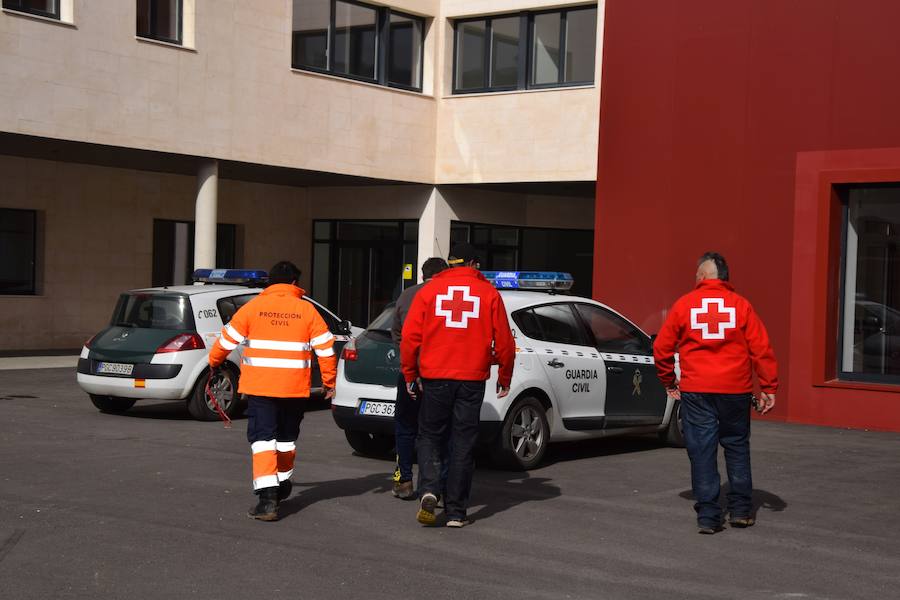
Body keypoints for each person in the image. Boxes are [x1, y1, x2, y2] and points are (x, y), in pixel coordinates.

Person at [653, 252, 778, 534]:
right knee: (736, 446)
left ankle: (709, 516)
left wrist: (669, 381)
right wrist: (769, 387)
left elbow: (661, 349)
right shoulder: (742, 306)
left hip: (697, 391)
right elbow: (761, 349)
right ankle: (741, 511)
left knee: (702, 450)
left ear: (702, 276)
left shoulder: (684, 305)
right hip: (736, 390)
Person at [208, 261, 337, 521]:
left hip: (261, 387)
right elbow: (325, 347)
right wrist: (329, 382)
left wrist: (213, 362)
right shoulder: (306, 310)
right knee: (286, 439)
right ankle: (282, 483)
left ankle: (268, 500)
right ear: (293, 283)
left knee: (263, 440)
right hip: (294, 388)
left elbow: (226, 340)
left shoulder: (253, 308)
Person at [400, 242, 516, 528]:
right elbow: (505, 342)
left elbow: (410, 338)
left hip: (435, 377)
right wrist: (505, 376)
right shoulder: (488, 293)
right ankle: (456, 512)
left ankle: (428, 489)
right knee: (463, 442)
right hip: (471, 379)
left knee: (429, 436)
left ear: (451, 263)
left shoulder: (428, 291)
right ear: (474, 264)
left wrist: (409, 373)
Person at [390, 257, 449, 500]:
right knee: (438, 431)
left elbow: (396, 332)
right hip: (440, 374)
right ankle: (439, 485)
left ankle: (404, 479)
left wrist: (409, 364)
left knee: (405, 426)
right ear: (443, 273)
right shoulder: (448, 295)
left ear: (423, 274)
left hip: (410, 372)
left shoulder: (406, 296)